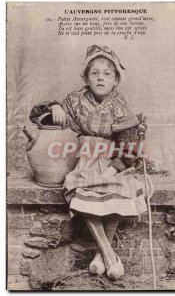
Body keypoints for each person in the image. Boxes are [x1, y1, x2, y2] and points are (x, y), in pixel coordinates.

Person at [29, 45, 153, 281]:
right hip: (81, 155)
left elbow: (128, 145)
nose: (100, 78)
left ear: (116, 80)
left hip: (112, 157)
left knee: (118, 188)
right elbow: (36, 116)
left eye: (107, 74)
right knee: (82, 189)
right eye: (94, 73)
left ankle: (100, 256)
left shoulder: (120, 105)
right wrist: (55, 107)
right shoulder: (74, 100)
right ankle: (109, 255)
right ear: (86, 77)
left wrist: (114, 167)